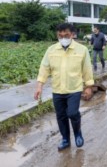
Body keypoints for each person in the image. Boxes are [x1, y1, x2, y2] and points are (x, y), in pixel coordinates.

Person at [34, 23, 94, 151]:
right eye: (60, 36)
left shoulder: (81, 50)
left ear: (72, 35)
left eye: (66, 35)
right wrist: (40, 85)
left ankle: (77, 132)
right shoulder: (51, 50)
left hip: (74, 89)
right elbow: (44, 68)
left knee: (72, 113)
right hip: (57, 89)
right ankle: (65, 139)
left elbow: (87, 69)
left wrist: (88, 87)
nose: (63, 38)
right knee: (61, 116)